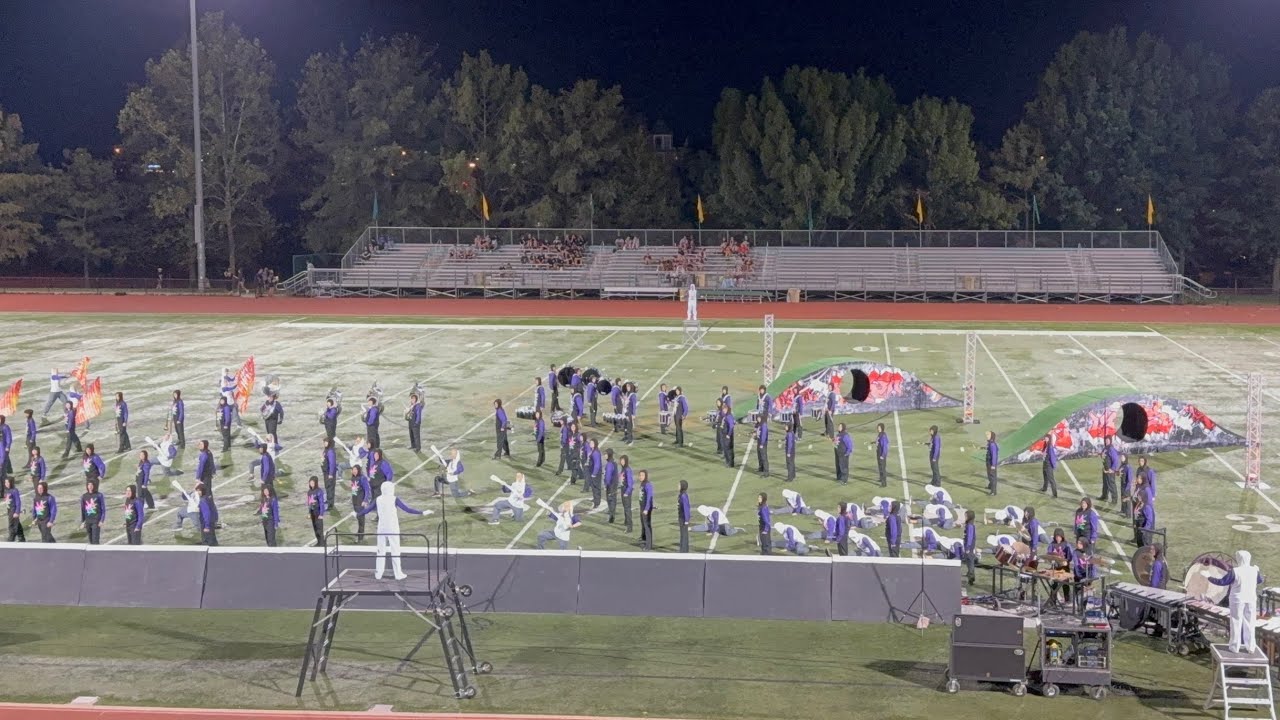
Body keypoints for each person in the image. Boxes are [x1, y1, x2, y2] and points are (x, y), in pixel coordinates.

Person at [356, 480, 430, 580]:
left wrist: (357, 514)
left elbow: (367, 510)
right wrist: (422, 512)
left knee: (380, 551)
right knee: (395, 550)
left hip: (382, 528)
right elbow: (407, 509)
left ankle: (378, 573)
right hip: (392, 528)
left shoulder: (378, 499)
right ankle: (398, 574)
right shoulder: (394, 499)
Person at [1204, 550, 1264, 654]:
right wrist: (1257, 570)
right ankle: (1251, 646)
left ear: (1239, 559)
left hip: (1237, 600)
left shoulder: (1235, 571)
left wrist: (1208, 576)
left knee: (1236, 622)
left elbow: (1222, 582)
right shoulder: (1254, 570)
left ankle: (1234, 646)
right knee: (1250, 622)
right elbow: (1260, 580)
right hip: (1251, 599)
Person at [80, 479, 106, 545]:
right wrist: (83, 522)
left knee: (95, 541)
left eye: (92, 484)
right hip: (88, 521)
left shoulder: (99, 495)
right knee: (91, 541)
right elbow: (83, 510)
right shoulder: (84, 496)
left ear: (94, 486)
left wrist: (102, 520)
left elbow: (103, 508)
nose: (90, 486)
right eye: (89, 484)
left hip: (96, 521)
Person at [305, 475, 327, 546]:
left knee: (319, 529)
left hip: (318, 513)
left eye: (313, 483)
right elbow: (309, 504)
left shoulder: (319, 491)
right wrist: (309, 513)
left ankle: (322, 543)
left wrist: (321, 514)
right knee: (315, 529)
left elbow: (321, 503)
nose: (311, 484)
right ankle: (319, 542)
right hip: (312, 513)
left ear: (316, 483)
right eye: (310, 482)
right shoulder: (309, 492)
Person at [1100, 435, 1119, 505]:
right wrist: (1101, 455)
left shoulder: (1111, 448)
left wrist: (1112, 469)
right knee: (1105, 483)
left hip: (1110, 469)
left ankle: (1114, 500)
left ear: (1110, 441)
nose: (1106, 441)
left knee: (1111, 484)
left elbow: (1116, 459)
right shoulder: (1105, 448)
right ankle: (1104, 496)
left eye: (1108, 440)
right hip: (1105, 468)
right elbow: (1103, 456)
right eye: (1106, 440)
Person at [618, 454, 635, 533]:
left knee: (627, 509)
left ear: (626, 461)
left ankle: (629, 527)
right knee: (625, 507)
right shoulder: (623, 468)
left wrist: (627, 492)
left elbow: (630, 483)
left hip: (626, 492)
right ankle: (626, 521)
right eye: (621, 460)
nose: (621, 462)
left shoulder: (627, 469)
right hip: (623, 490)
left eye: (623, 460)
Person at [639, 470, 655, 551]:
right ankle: (644, 539)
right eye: (640, 475)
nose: (640, 477)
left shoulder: (648, 485)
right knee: (644, 525)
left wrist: (646, 509)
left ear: (646, 476)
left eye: (642, 475)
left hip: (646, 509)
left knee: (647, 526)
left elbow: (649, 498)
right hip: (642, 508)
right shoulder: (642, 483)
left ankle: (648, 546)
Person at [4, 476, 23, 542]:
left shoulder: (14, 490)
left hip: (13, 509)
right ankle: (21, 537)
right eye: (5, 482)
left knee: (11, 524)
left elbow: (18, 502)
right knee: (17, 523)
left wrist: (17, 512)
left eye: (8, 482)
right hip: (9, 509)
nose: (6, 484)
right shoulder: (6, 490)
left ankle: (11, 538)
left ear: (11, 482)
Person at [961, 510, 978, 584]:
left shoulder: (970, 526)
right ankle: (969, 573)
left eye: (966, 516)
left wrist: (968, 548)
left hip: (969, 546)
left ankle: (971, 577)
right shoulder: (968, 525)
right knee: (968, 560)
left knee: (970, 561)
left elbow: (970, 538)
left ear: (969, 517)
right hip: (967, 546)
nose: (964, 517)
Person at [602, 449, 619, 520]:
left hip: (610, 485)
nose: (604, 455)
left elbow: (608, 476)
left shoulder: (609, 464)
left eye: (606, 454)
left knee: (610, 499)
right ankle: (611, 512)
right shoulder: (614, 462)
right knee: (613, 499)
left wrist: (606, 485)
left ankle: (612, 516)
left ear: (609, 455)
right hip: (614, 484)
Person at [1041, 433, 1058, 498]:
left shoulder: (1050, 446)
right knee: (1045, 477)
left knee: (1051, 480)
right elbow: (1043, 452)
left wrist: (1053, 465)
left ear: (1049, 439)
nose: (1045, 438)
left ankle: (1055, 494)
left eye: (1046, 438)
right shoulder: (1046, 444)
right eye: (1045, 437)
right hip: (1045, 463)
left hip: (1048, 465)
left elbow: (1052, 456)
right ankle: (1044, 488)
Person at [677, 479, 691, 553]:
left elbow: (686, 508)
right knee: (683, 534)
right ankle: (684, 550)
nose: (678, 486)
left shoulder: (683, 496)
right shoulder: (681, 494)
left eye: (679, 485)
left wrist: (686, 520)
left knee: (684, 534)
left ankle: (683, 550)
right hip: (681, 517)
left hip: (683, 518)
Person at [875, 423, 889, 488]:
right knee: (880, 467)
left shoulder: (883, 435)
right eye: (878, 428)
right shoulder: (880, 434)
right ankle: (881, 479)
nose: (878, 429)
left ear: (882, 428)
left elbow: (885, 446)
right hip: (878, 453)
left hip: (881, 454)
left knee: (883, 468)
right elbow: (879, 442)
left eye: (879, 428)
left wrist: (883, 455)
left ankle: (884, 483)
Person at [985, 431, 999, 495]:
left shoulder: (992, 444)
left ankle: (993, 492)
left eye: (988, 435)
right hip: (988, 462)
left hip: (991, 463)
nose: (986, 436)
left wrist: (993, 465)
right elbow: (988, 448)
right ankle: (990, 486)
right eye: (986, 435)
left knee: (992, 476)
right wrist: (981, 448)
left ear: (991, 436)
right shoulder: (990, 443)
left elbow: (994, 455)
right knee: (989, 475)